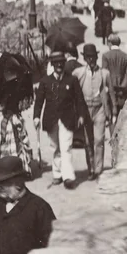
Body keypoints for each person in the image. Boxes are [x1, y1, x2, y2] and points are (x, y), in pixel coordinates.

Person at [33, 50, 90, 187]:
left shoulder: (72, 80)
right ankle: (57, 174)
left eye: (61, 63)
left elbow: (79, 100)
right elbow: (39, 102)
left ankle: (68, 177)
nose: (59, 65)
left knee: (66, 148)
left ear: (64, 64)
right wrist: (36, 117)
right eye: (56, 63)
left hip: (67, 120)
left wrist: (82, 115)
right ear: (52, 64)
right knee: (56, 148)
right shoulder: (45, 81)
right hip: (51, 121)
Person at [73, 43, 114, 180]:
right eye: (88, 57)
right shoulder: (78, 73)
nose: (91, 60)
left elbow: (111, 92)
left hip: (99, 109)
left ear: (96, 57)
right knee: (87, 141)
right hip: (85, 110)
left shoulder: (104, 73)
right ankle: (90, 168)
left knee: (99, 139)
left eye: (93, 57)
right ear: (85, 58)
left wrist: (112, 110)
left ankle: (98, 169)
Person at [101, 34, 127, 115]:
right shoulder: (125, 56)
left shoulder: (105, 56)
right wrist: (123, 86)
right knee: (121, 113)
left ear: (110, 43)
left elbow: (104, 72)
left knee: (111, 113)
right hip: (122, 90)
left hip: (110, 88)